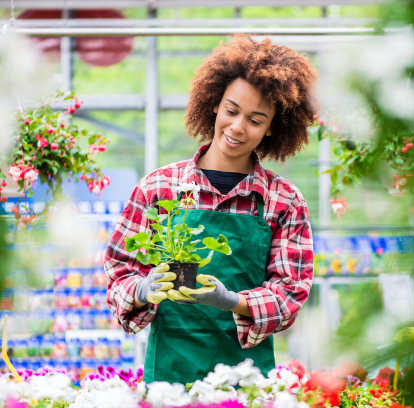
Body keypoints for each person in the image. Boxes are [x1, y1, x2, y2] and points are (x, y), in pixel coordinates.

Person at [104, 35, 317, 384]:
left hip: (247, 380)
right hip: (169, 376)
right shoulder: (159, 188)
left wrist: (231, 301)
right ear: (215, 103)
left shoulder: (285, 201)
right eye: (232, 111)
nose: (237, 127)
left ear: (270, 129)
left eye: (255, 119)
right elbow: (119, 270)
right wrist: (143, 289)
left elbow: (291, 290)